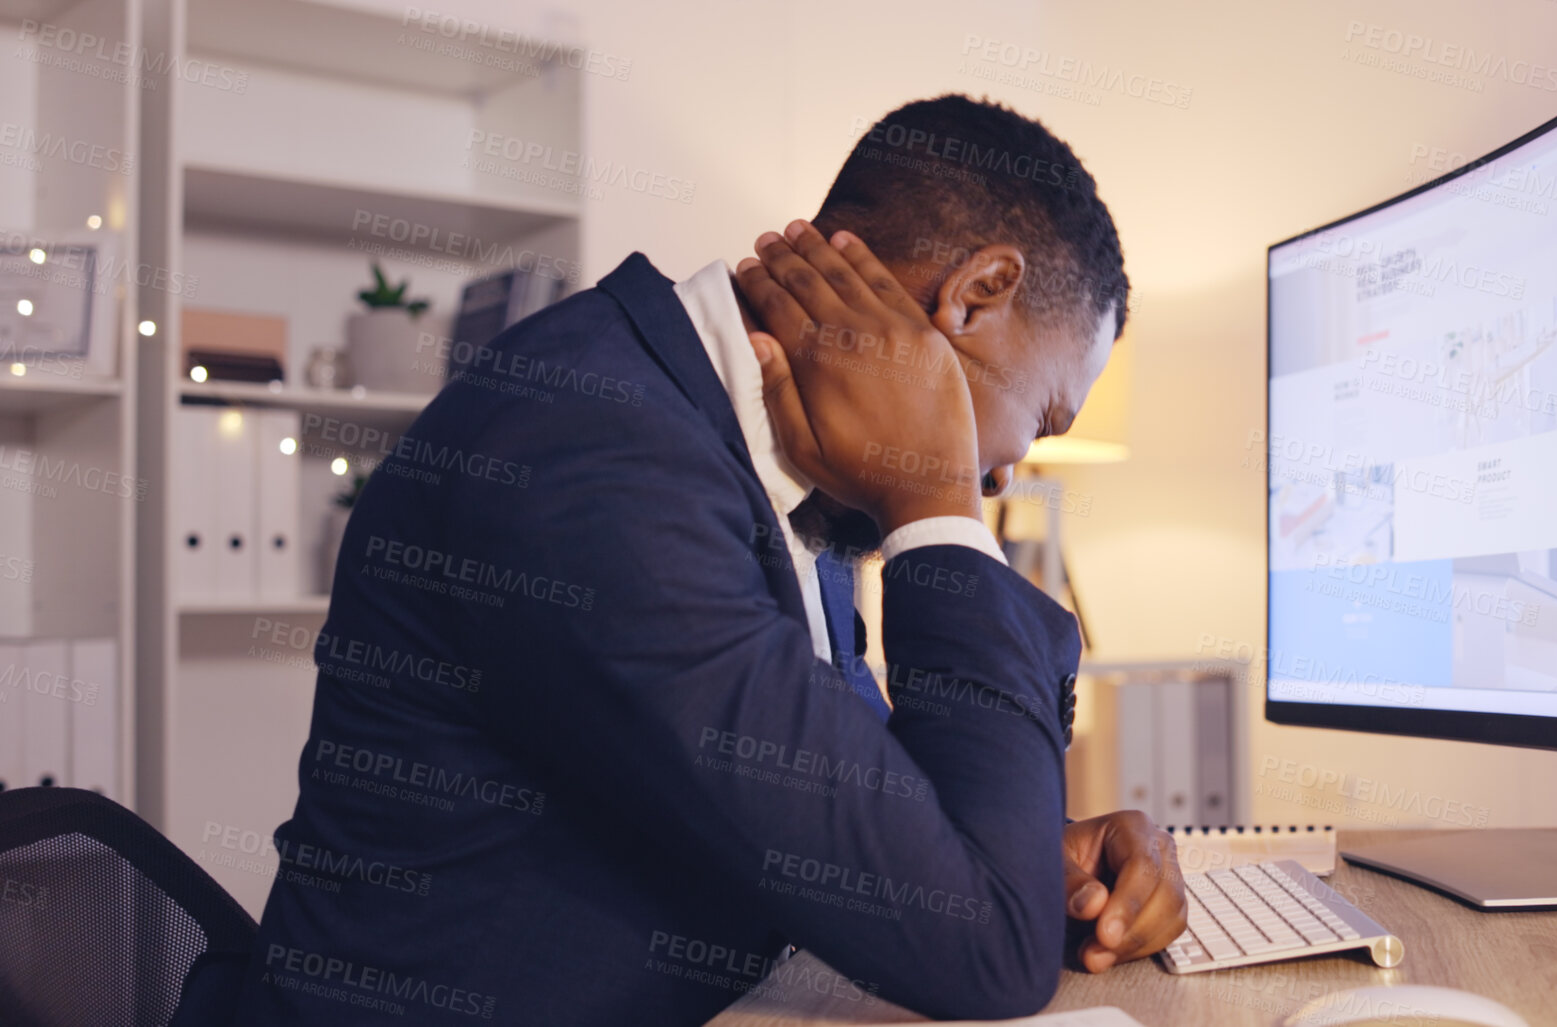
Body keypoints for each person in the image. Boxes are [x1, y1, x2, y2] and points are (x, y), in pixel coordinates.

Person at [228, 94, 1185, 1027]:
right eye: (1043, 420)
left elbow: (866, 812)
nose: (1009, 472)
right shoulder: (594, 455)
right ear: (976, 295)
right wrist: (936, 499)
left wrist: (1030, 855)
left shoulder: (743, 437)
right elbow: (981, 950)